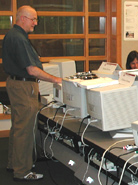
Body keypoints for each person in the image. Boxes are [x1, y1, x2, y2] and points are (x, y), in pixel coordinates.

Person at [2, 5, 62, 181]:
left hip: (15, 84)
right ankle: (22, 171)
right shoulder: (19, 38)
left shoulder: (14, 35)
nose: (35, 23)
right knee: (25, 130)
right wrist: (56, 80)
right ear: (22, 18)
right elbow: (32, 70)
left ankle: (14, 163)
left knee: (18, 127)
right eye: (33, 19)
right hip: (23, 87)